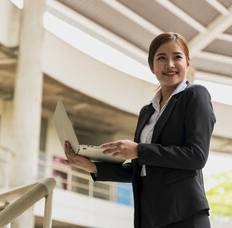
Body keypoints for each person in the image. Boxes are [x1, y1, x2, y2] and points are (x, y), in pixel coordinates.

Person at [64, 32, 216, 228]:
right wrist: (92, 166)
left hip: (184, 216)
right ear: (152, 67)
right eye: (161, 58)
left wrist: (138, 151)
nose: (169, 64)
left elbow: (196, 156)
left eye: (177, 57)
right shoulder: (147, 112)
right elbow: (143, 169)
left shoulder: (195, 95)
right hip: (150, 218)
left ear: (187, 63)